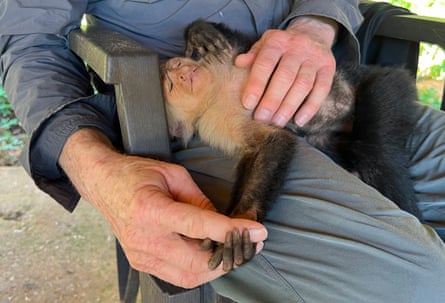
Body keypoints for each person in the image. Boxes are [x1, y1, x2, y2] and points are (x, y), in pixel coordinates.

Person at [1, 1, 444, 302]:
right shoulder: (189, 105)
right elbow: (28, 41)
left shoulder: (211, 52)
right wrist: (96, 168)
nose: (175, 70)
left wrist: (315, 24)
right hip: (195, 132)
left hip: (329, 90)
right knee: (420, 283)